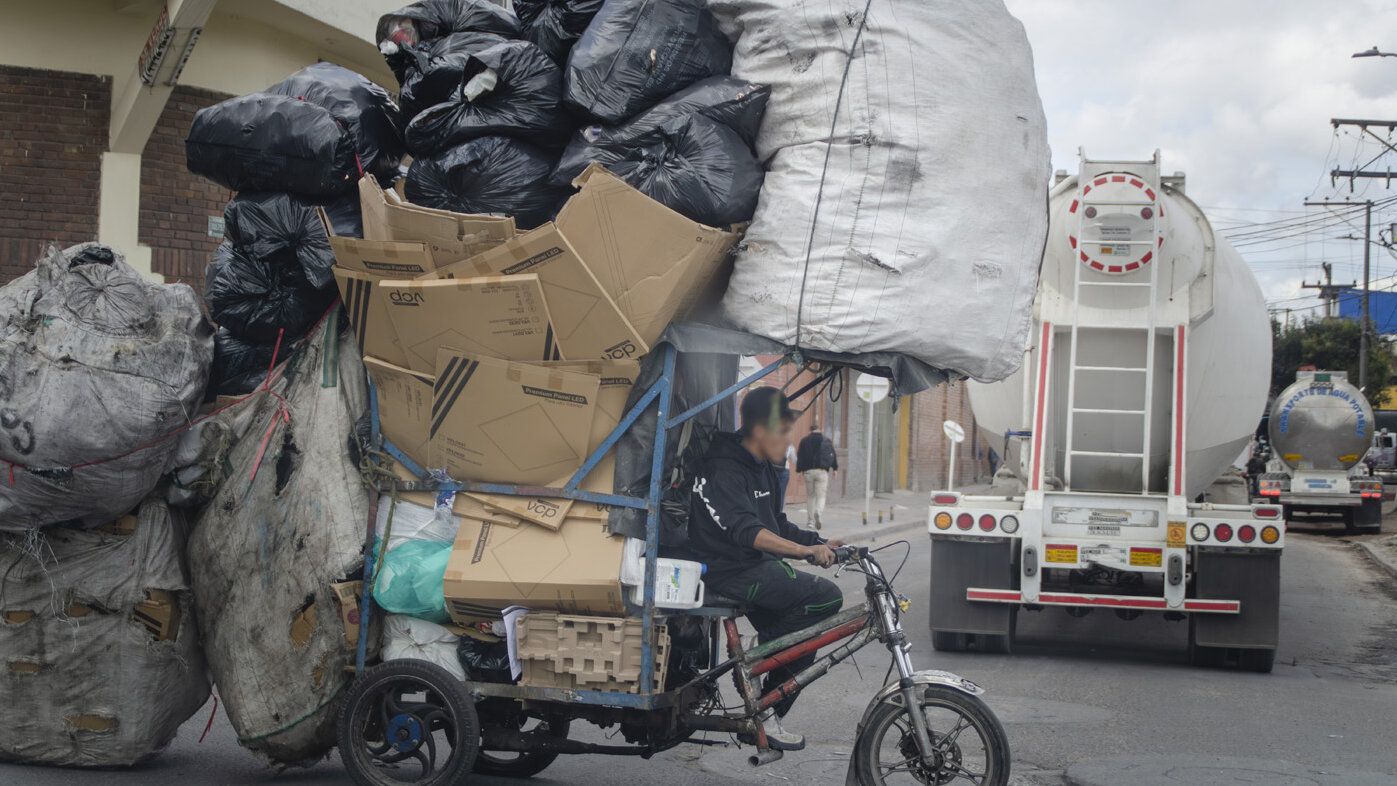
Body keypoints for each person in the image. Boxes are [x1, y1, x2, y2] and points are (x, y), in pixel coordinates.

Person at [689, 387, 846, 751]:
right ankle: (759, 652)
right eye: (784, 430)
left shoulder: (764, 470)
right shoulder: (721, 471)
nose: (790, 440)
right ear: (760, 430)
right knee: (825, 596)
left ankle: (766, 712)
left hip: (756, 567)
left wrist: (820, 542)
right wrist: (803, 552)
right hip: (729, 571)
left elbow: (775, 524)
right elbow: (748, 532)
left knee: (806, 642)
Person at [795, 423, 838, 530]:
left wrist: (798, 471)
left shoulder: (804, 441)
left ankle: (810, 522)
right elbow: (832, 454)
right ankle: (818, 512)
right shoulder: (826, 440)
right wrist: (835, 469)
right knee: (821, 496)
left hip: (808, 472)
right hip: (822, 472)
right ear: (819, 430)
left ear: (810, 431)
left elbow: (800, 456)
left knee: (810, 496)